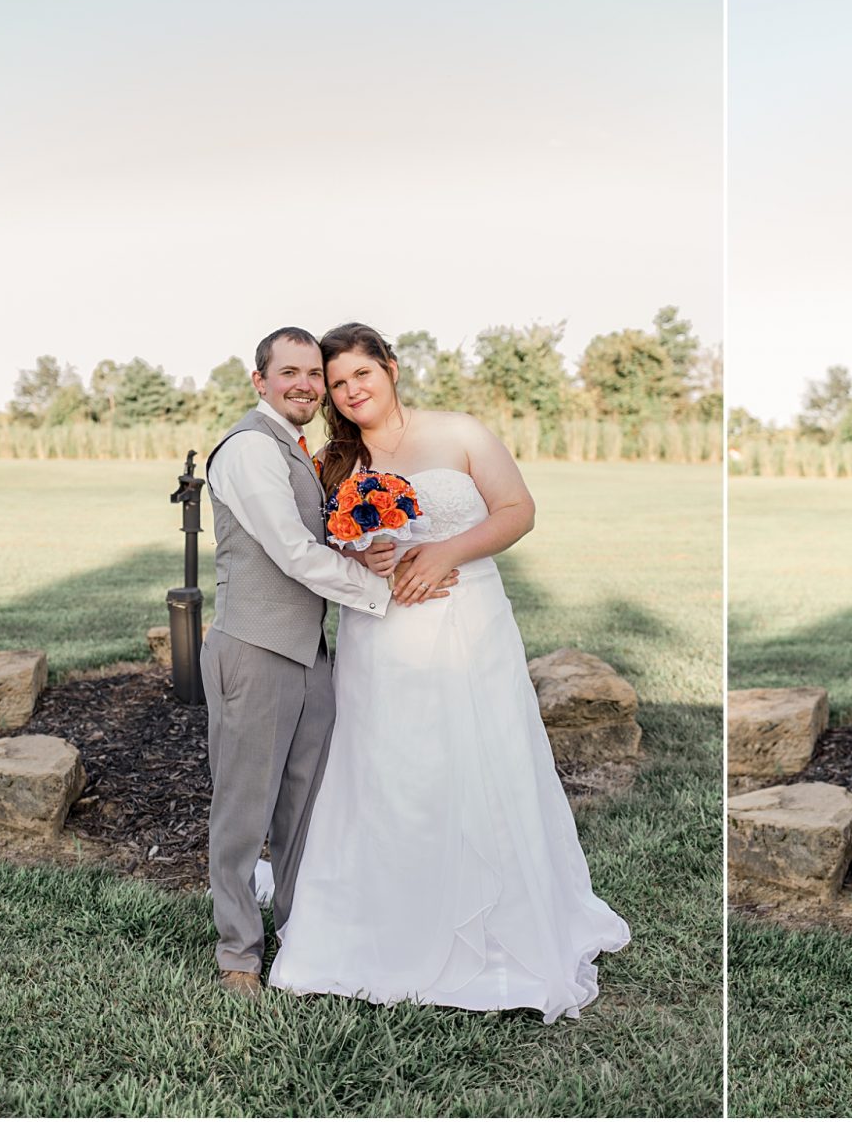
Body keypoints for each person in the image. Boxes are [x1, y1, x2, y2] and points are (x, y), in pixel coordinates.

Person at [267, 323, 630, 1022]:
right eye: (337, 384)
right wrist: (364, 557)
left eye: (360, 376)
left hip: (470, 621)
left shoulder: (460, 431)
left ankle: (498, 920)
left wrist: (445, 554)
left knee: (481, 758)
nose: (349, 392)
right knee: (392, 768)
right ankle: (392, 920)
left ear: (391, 369)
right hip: (382, 634)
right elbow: (329, 549)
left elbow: (517, 510)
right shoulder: (335, 459)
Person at [200, 327, 456, 998]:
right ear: (260, 380)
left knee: (303, 808)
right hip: (255, 650)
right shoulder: (250, 450)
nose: (306, 385)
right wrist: (381, 593)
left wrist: (367, 551)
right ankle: (238, 954)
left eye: (314, 374)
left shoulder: (299, 452)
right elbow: (289, 552)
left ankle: (301, 932)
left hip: (311, 655)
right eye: (290, 373)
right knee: (243, 812)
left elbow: (322, 544)